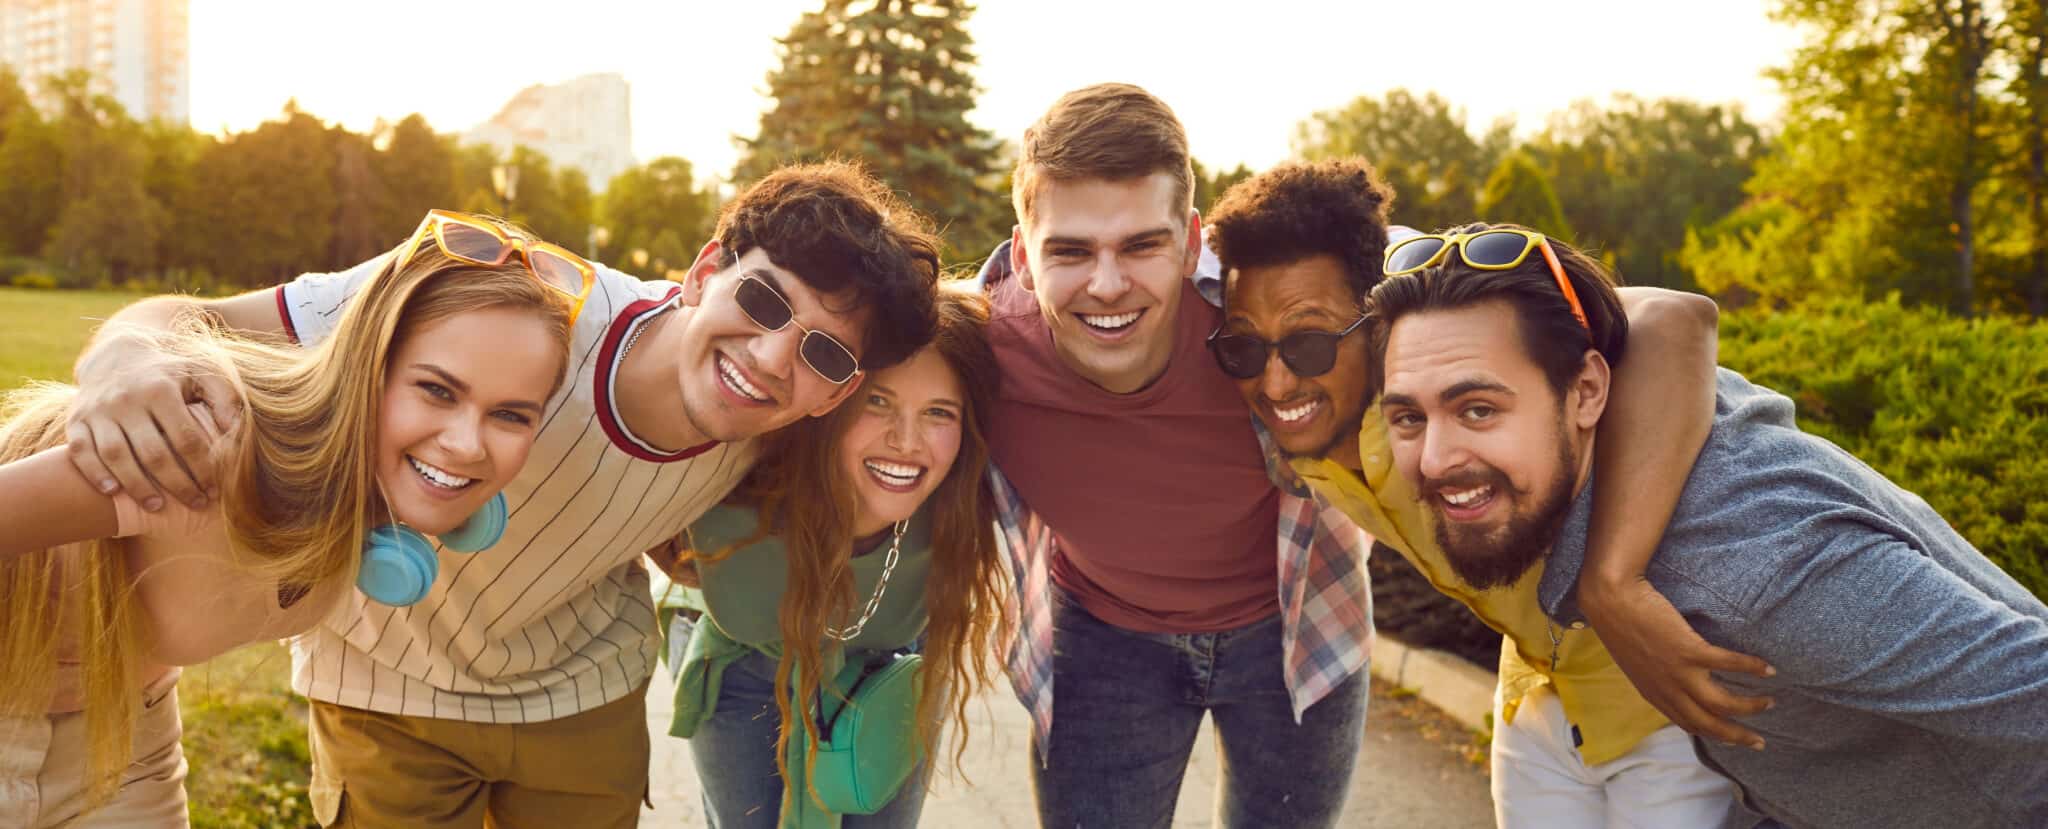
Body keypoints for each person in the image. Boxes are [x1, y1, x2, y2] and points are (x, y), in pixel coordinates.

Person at [56, 164, 943, 828]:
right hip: (386, 683)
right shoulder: (507, 295)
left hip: (578, 692)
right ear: (706, 270)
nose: (771, 355)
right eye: (762, 298)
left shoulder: (784, 430)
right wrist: (125, 360)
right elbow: (178, 319)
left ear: (836, 391)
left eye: (825, 354)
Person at [1364, 222, 2048, 828]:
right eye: (1409, 418)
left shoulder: (1755, 569)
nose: (1435, 457)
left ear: (1587, 391)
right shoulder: (1632, 447)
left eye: (1479, 409)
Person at [1208, 165, 1747, 825]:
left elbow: (1674, 315)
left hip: (1659, 698)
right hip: (1537, 694)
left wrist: (1614, 580)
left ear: (1375, 324)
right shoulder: (1305, 410)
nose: (1276, 381)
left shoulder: (1431, 347)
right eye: (1243, 350)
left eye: (1311, 344)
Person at [0, 216, 577, 828]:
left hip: (123, 734)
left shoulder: (382, 506)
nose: (466, 445)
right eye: (437, 390)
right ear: (366, 369)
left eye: (511, 415)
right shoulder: (213, 451)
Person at [654, 284, 1005, 828]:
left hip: (885, 660)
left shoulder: (960, 496)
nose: (906, 441)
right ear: (830, 401)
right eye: (878, 401)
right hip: (737, 651)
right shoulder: (736, 469)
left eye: (939, 412)